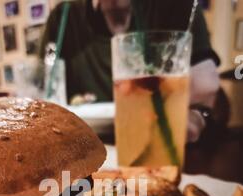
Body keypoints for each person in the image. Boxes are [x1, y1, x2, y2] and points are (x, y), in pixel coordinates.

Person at [38, 0, 220, 142]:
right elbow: (42, 95)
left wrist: (196, 115)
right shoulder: (62, 18)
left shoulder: (175, 6)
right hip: (82, 149)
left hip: (165, 146)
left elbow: (205, 90)